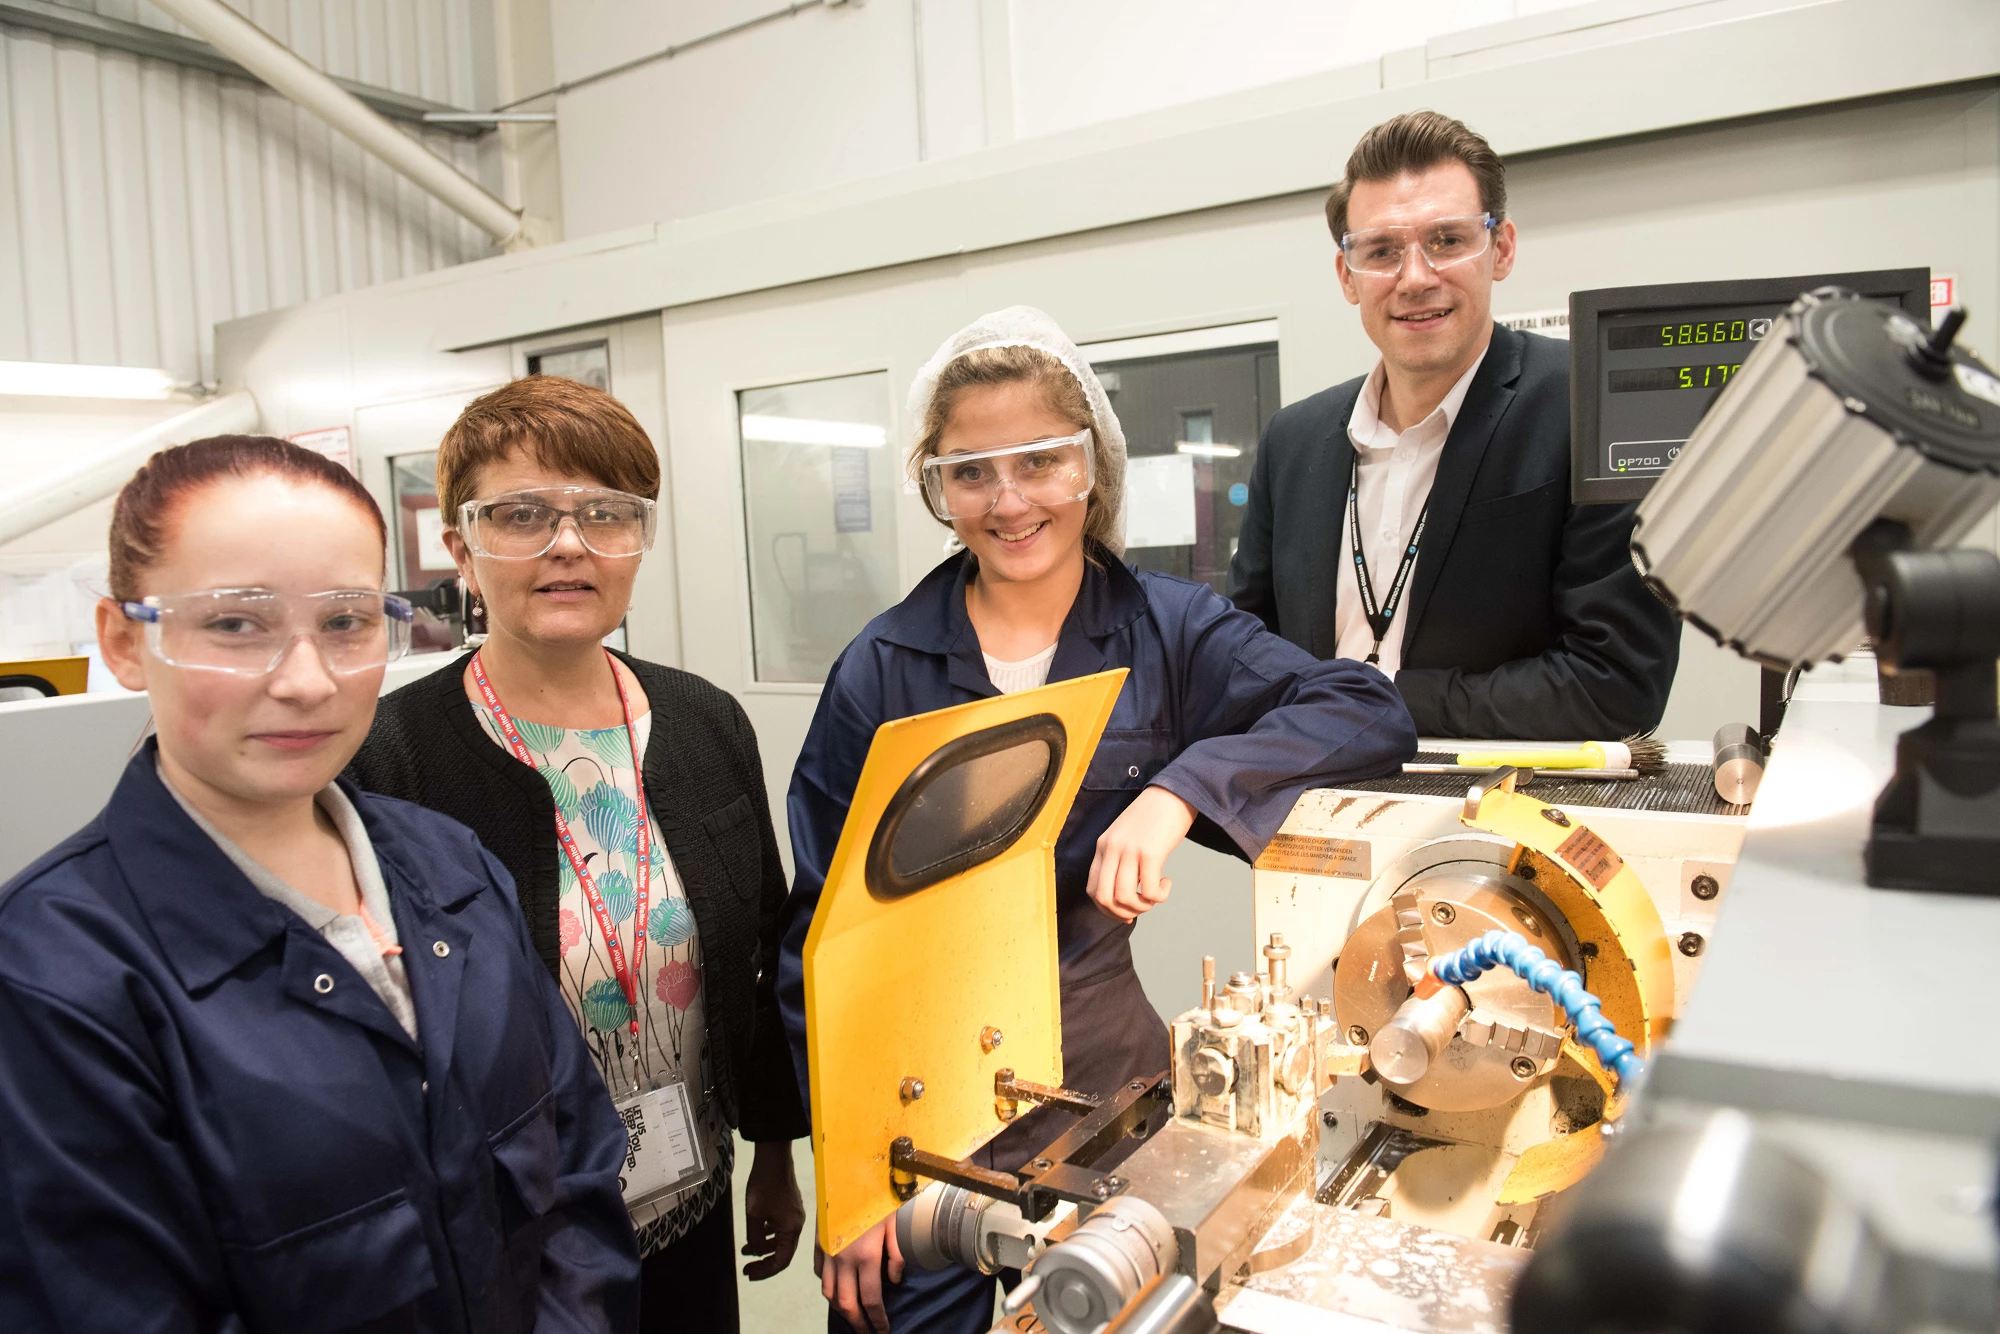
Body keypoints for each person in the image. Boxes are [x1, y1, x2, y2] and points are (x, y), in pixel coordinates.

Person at [778, 307, 1418, 1334]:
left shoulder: (1166, 627)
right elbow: (817, 943)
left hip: (1098, 1089)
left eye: (1039, 460)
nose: (1009, 498)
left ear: (1090, 467)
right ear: (936, 486)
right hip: (909, 1111)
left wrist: (1177, 790)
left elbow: (1362, 709)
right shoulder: (883, 665)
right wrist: (851, 1177)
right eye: (972, 469)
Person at [0, 435, 639, 1332]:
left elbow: (576, 1164)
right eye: (234, 624)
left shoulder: (450, 868)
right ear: (124, 641)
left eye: (345, 623)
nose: (306, 682)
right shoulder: (54, 976)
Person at [348, 376, 808, 1333]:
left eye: (607, 513)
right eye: (521, 515)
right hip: (509, 1239)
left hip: (689, 1193)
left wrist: (772, 1149)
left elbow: (759, 952)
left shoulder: (703, 721)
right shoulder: (389, 757)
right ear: (459, 547)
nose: (569, 543)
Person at [1228, 110, 1681, 739]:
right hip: (1308, 804)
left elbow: (1616, 686)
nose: (1415, 278)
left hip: (1502, 814)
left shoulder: (1587, 408)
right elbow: (1243, 650)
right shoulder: (1292, 440)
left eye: (1446, 240)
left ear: (1501, 249)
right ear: (1347, 276)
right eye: (1381, 250)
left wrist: (1376, 698)